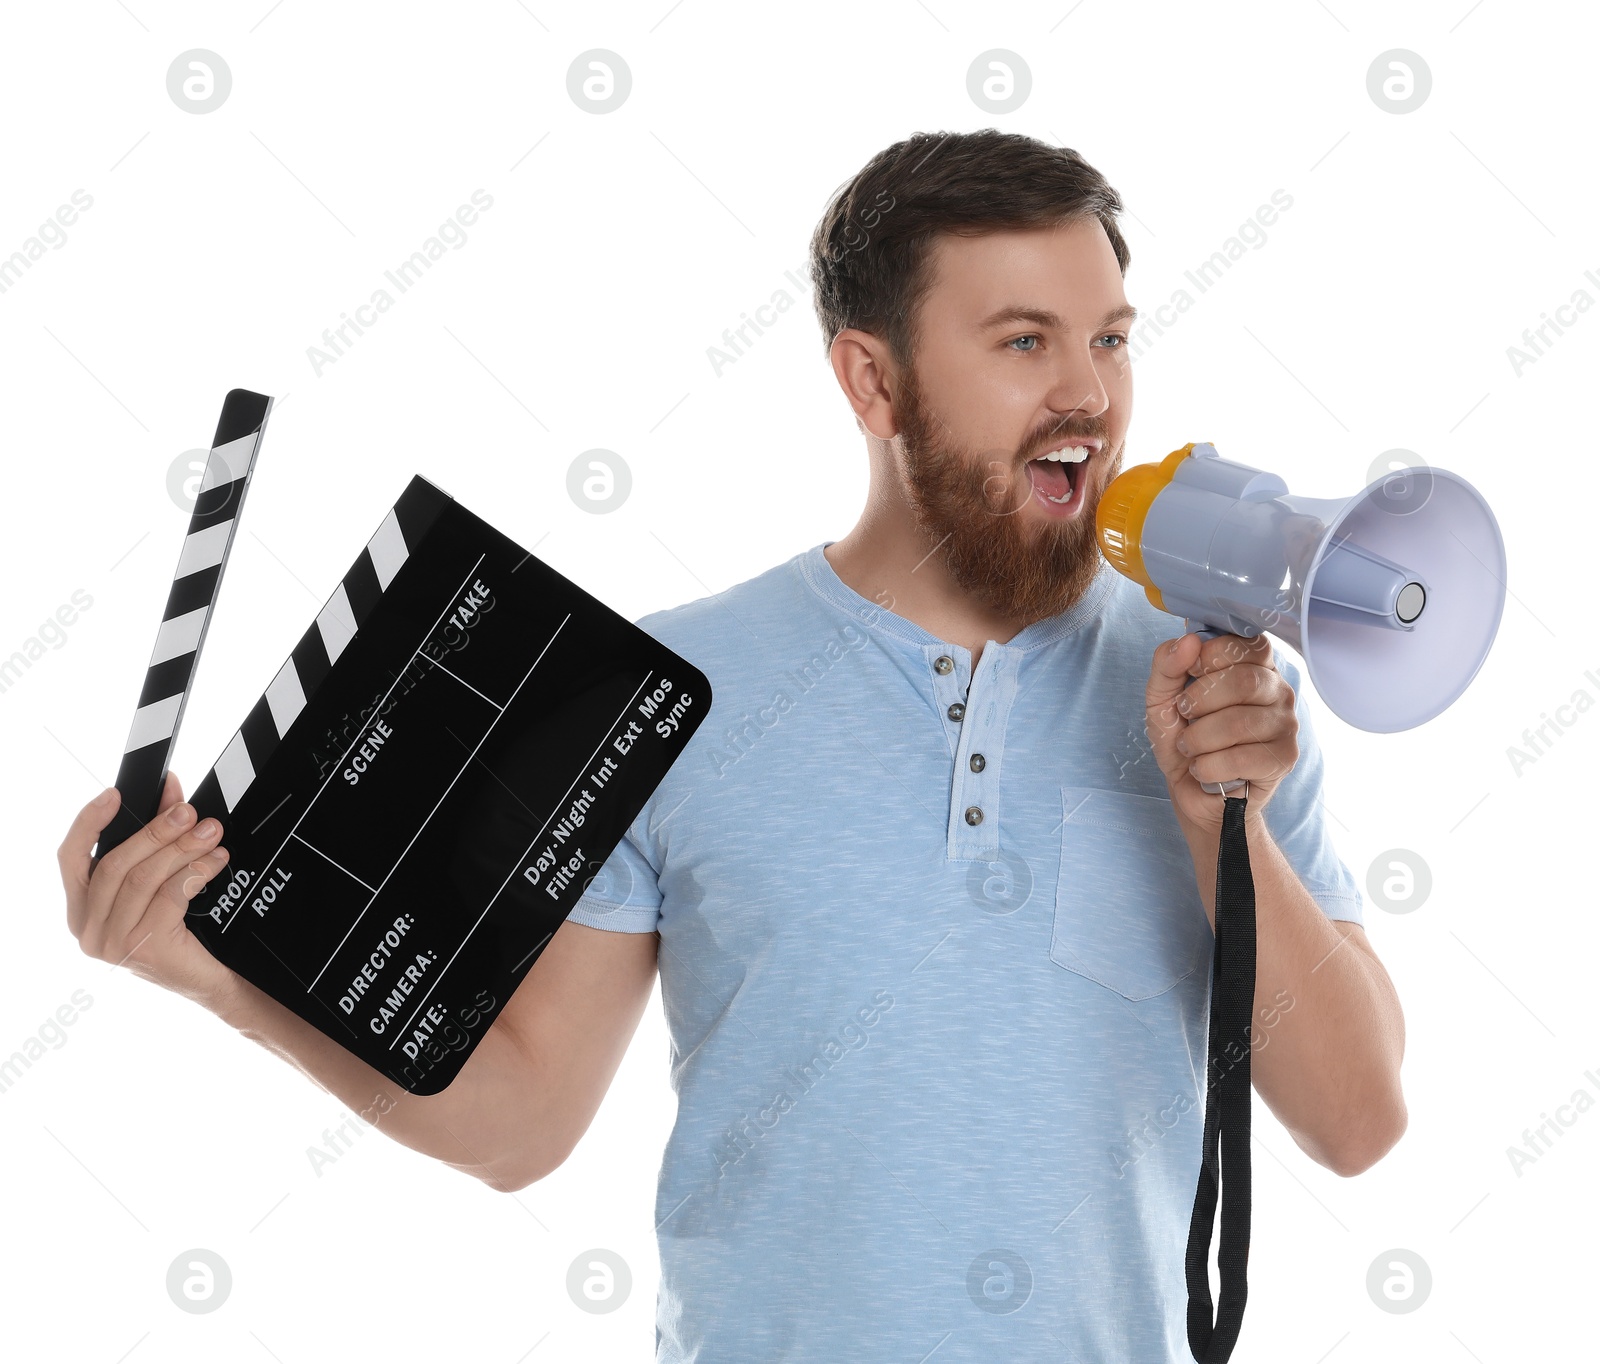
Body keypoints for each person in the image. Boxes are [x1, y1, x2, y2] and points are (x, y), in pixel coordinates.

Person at [59, 128, 1406, 1361]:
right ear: (871, 382)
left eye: (1110, 340)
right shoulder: (677, 686)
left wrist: (1210, 817)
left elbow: (1358, 1123)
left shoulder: (1217, 691)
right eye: (1021, 343)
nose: (1088, 397)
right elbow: (525, 1126)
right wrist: (220, 979)